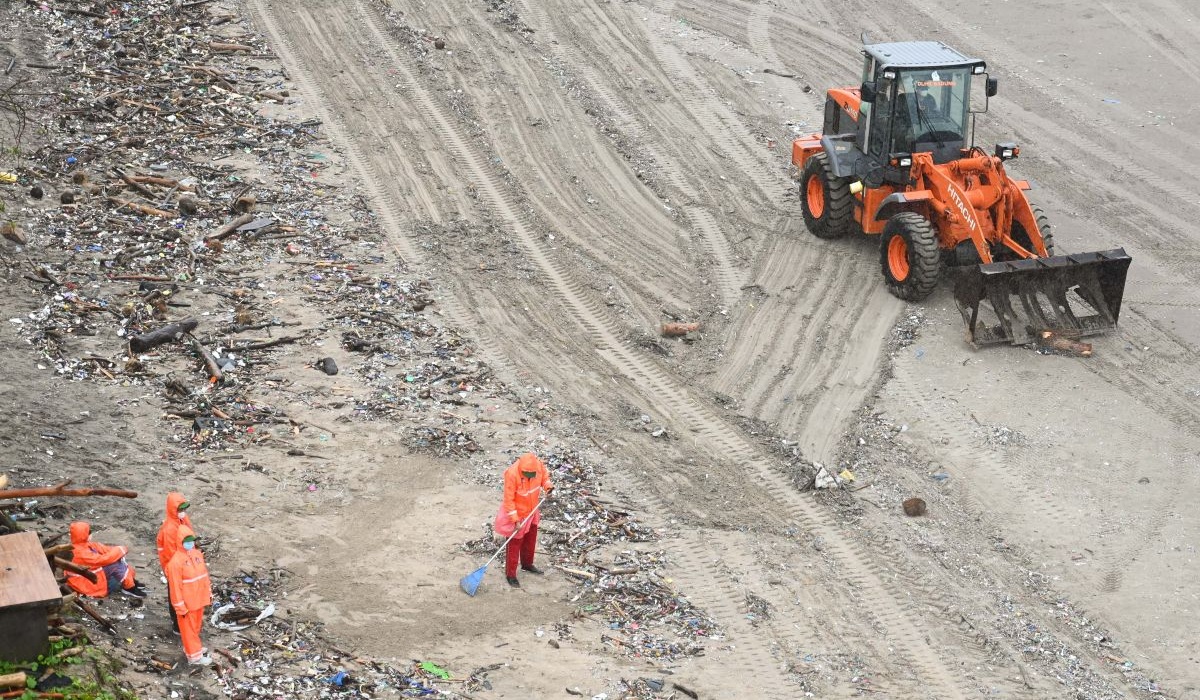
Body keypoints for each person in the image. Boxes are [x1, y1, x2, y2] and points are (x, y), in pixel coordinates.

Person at [501, 452, 553, 588]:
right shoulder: (512, 474)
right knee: (514, 544)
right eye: (527, 474)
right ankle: (510, 574)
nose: (530, 477)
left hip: (532, 510)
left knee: (530, 539)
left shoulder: (538, 465)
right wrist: (515, 519)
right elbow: (508, 499)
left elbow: (545, 477)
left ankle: (527, 564)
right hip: (518, 514)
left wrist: (548, 487)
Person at [165, 526, 212, 666]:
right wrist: (179, 606)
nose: (190, 543)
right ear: (180, 541)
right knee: (188, 630)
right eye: (187, 540)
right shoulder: (175, 563)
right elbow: (175, 587)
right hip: (187, 603)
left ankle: (194, 648)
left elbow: (204, 577)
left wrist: (208, 593)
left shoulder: (197, 555)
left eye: (192, 539)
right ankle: (194, 657)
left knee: (195, 627)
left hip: (199, 599)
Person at [64, 521, 148, 599]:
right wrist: (120, 550)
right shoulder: (79, 552)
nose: (91, 534)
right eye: (89, 532)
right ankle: (129, 587)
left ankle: (130, 582)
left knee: (116, 558)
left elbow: (105, 550)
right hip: (85, 583)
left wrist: (119, 552)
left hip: (87, 576)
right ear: (84, 535)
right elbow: (102, 560)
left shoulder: (83, 545)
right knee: (114, 564)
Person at [156, 492, 194, 634]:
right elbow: (171, 554)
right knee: (176, 596)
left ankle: (184, 621)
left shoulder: (182, 520)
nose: (182, 512)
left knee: (184, 595)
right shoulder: (169, 529)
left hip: (185, 563)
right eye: (180, 509)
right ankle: (177, 625)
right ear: (173, 509)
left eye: (184, 509)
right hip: (174, 567)